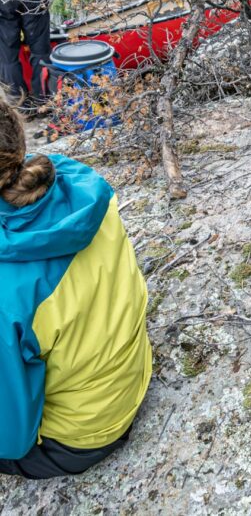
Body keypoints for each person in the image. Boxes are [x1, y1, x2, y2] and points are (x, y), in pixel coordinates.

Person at [0, 100, 151, 478]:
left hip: (80, 437)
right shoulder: (72, 181)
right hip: (131, 379)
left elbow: (13, 438)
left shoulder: (8, 294)